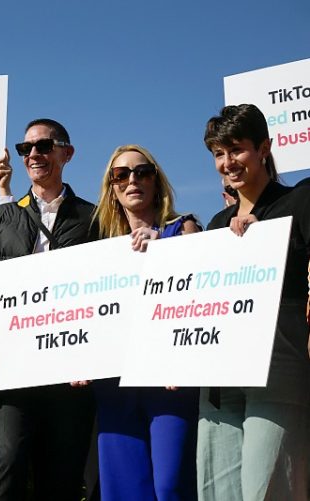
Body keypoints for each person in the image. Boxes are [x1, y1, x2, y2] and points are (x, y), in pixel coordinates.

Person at [0, 118, 97, 500]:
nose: (34, 155)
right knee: (8, 463)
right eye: (27, 149)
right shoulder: (2, 217)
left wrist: (93, 356)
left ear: (67, 153)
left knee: (59, 475)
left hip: (70, 368)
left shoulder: (93, 217)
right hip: (14, 366)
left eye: (44, 146)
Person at [198, 104, 310, 501]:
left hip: (277, 367)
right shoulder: (214, 225)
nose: (227, 163)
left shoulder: (300, 201)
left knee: (270, 489)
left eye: (237, 150)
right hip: (218, 377)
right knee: (218, 492)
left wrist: (265, 243)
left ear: (264, 147)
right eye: (218, 153)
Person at [92, 144, 200, 500]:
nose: (132, 180)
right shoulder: (99, 250)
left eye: (143, 171)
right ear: (112, 188)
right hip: (115, 386)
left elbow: (204, 290)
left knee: (171, 487)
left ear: (156, 180)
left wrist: (168, 250)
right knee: (124, 491)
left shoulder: (183, 229)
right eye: (121, 174)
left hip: (169, 382)